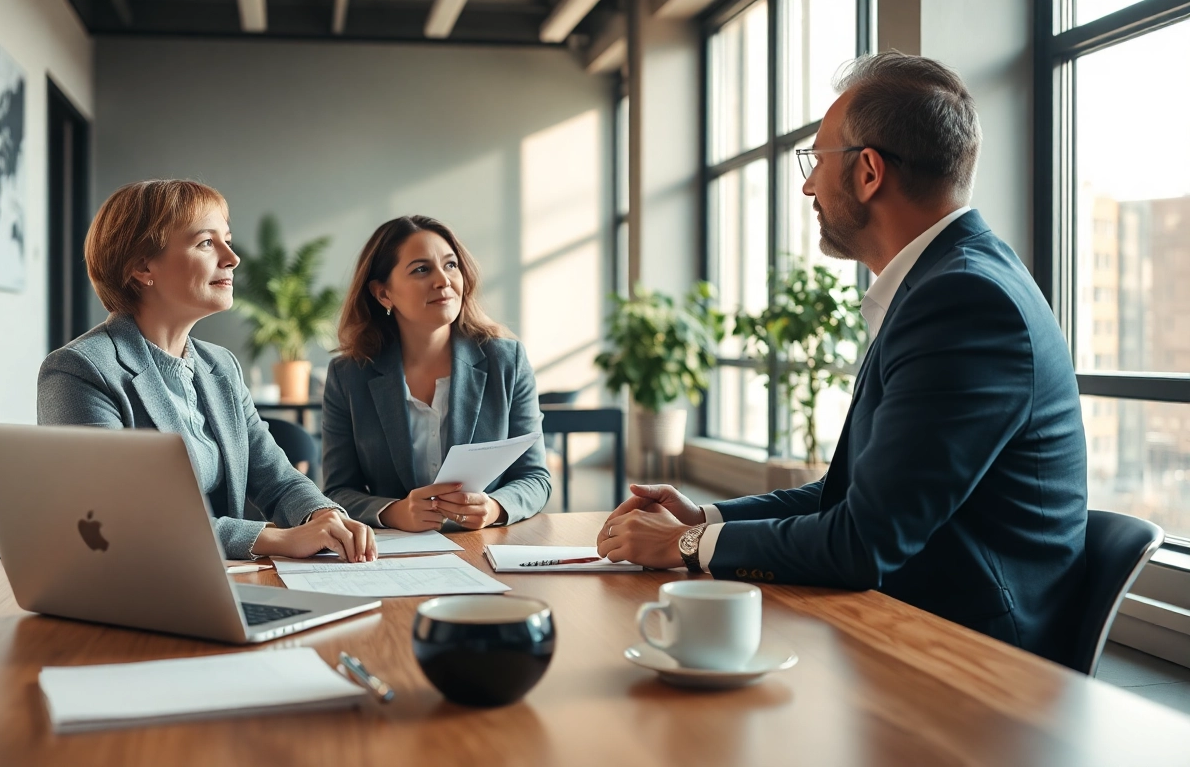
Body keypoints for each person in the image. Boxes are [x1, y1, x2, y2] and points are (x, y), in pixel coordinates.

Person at [596, 52, 1088, 665]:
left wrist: (688, 543)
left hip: (968, 660)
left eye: (817, 160)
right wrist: (705, 516)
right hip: (911, 623)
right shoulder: (947, 282)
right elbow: (851, 498)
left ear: (869, 172)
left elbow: (863, 541)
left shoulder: (962, 299)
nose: (807, 186)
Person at [38, 180, 376, 562]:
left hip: (220, 578)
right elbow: (115, 514)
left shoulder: (222, 367)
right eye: (206, 243)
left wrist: (323, 516)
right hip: (134, 582)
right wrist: (274, 539)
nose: (232, 258)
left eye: (226, 240)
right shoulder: (80, 370)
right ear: (142, 266)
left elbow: (276, 478)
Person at [322, 215, 551, 531]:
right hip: (395, 550)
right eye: (421, 269)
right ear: (383, 293)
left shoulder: (506, 361)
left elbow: (535, 477)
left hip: (483, 544)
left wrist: (495, 508)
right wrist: (393, 512)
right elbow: (337, 491)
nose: (443, 280)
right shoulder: (348, 375)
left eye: (450, 265)